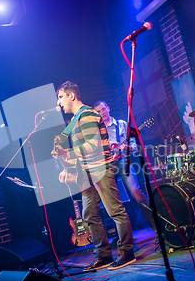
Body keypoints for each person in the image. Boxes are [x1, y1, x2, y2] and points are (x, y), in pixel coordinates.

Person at [52, 81, 136, 270]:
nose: (59, 103)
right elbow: (79, 150)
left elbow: (93, 146)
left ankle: (126, 252)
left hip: (101, 169)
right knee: (89, 214)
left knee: (115, 210)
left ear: (71, 96)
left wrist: (67, 153)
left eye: (60, 97)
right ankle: (104, 256)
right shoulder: (75, 120)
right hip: (87, 172)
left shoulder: (88, 114)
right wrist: (63, 157)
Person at [93, 101, 157, 232]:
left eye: (103, 109)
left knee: (137, 194)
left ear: (108, 108)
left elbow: (133, 145)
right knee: (112, 203)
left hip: (123, 162)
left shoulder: (122, 124)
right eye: (98, 111)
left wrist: (128, 147)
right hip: (106, 167)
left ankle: (157, 227)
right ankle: (123, 237)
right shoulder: (96, 131)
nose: (102, 113)